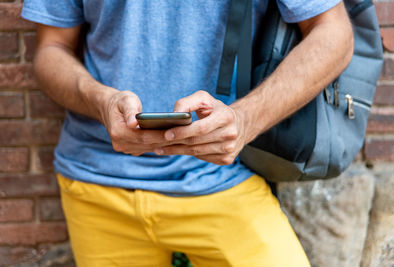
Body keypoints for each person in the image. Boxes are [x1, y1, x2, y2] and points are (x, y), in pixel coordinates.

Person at [21, 0, 353, 266]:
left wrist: (245, 120)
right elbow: (52, 49)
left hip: (222, 175)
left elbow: (333, 32)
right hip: (96, 183)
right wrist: (101, 101)